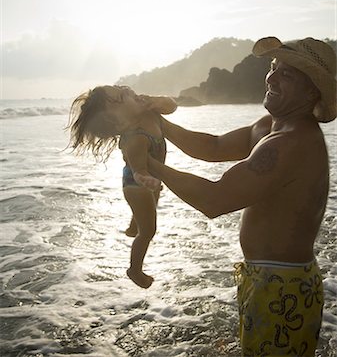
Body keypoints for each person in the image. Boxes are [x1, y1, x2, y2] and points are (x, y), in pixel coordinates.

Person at [136, 37, 336, 356]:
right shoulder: (272, 125)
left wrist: (148, 165)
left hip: (282, 285)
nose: (270, 78)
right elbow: (213, 147)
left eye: (287, 75)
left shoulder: (292, 142)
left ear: (312, 91)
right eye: (273, 68)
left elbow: (215, 200)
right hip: (265, 277)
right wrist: (158, 123)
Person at [67, 85, 177, 289]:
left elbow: (172, 106)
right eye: (121, 95)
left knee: (149, 209)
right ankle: (135, 269)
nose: (127, 89)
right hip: (136, 184)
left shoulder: (146, 110)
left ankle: (132, 225)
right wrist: (147, 180)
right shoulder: (136, 138)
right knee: (148, 230)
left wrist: (157, 100)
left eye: (122, 87)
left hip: (149, 181)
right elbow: (138, 169)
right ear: (118, 120)